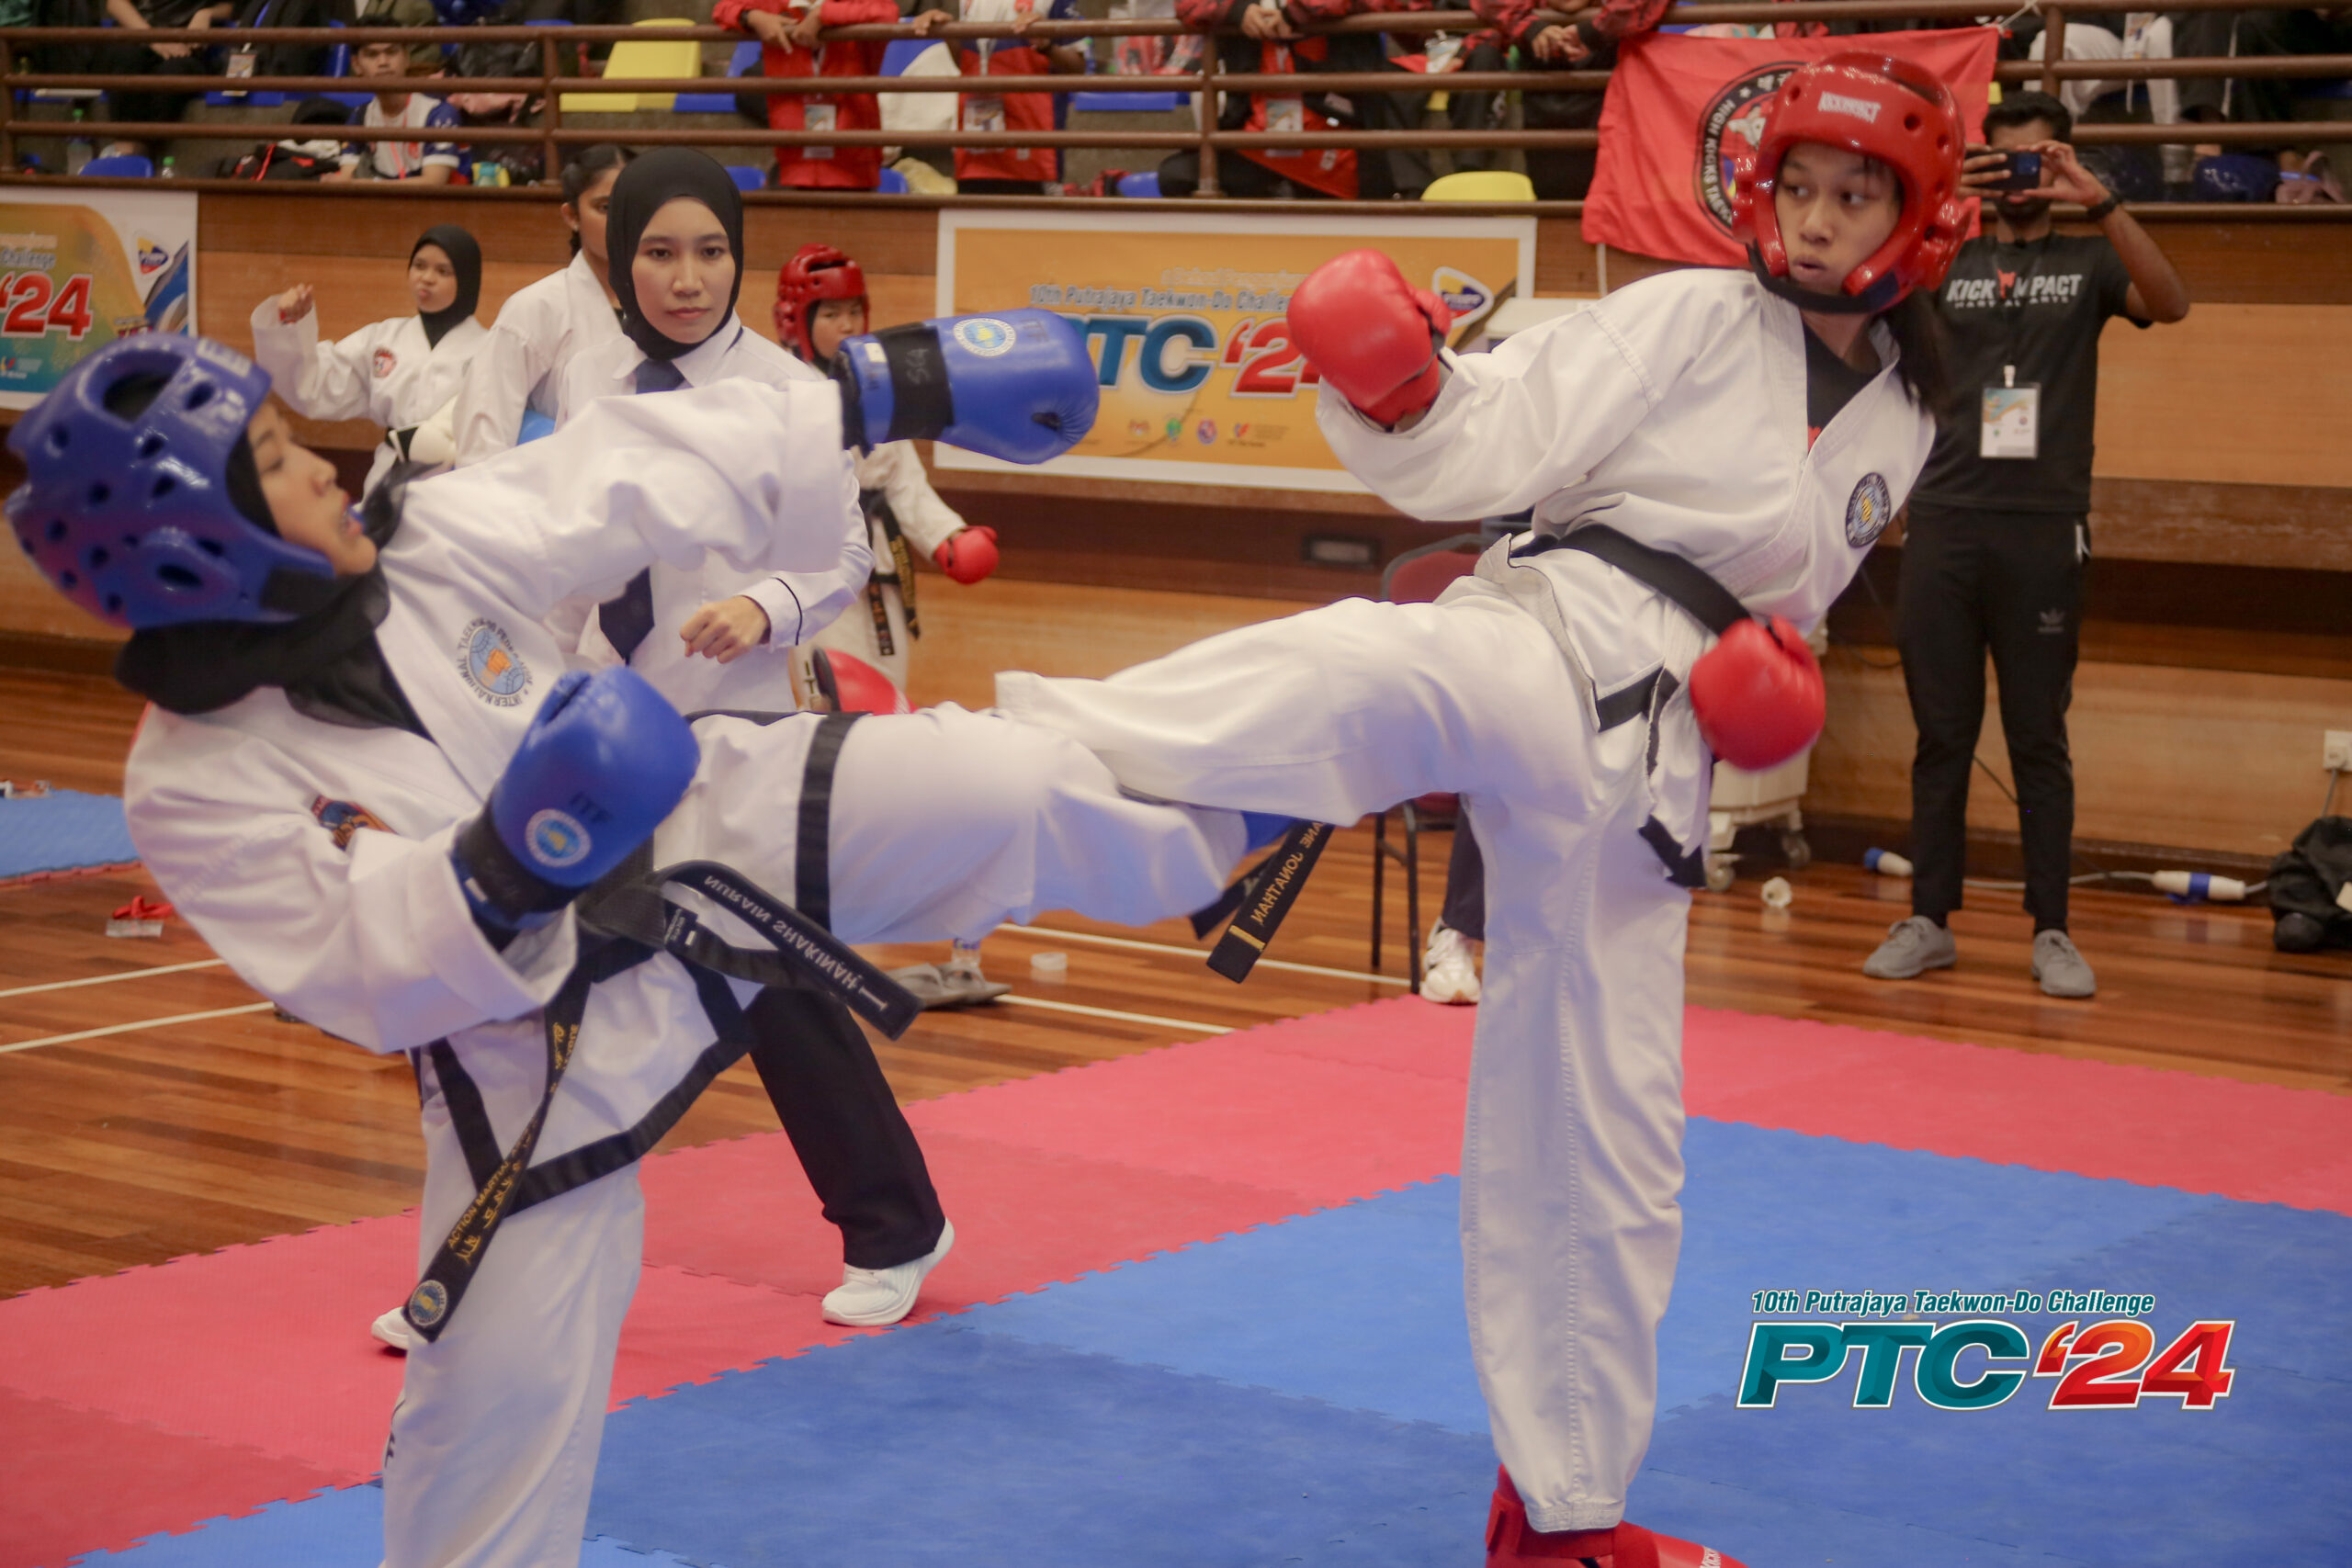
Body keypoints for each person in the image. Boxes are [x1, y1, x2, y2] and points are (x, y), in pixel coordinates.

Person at [7, 310, 1229, 1567]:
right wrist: (506, 863)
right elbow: (351, 964)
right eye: (273, 458)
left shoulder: (427, 536)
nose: (322, 464)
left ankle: (1292, 759)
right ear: (194, 539)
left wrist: (879, 389)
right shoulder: (194, 779)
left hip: (696, 843)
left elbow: (624, 465)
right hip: (523, 1053)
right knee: (488, 1414)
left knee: (1007, 779)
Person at [996, 53, 1964, 1568]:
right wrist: (1406, 386)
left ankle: (1565, 1510)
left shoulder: (1907, 412)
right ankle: (985, 755)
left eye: (1855, 195)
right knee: (1370, 669)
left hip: (1656, 768)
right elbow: (1499, 434)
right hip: (1551, 631)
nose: (1821, 217)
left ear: (1917, 220)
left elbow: (1791, 589)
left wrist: (1769, 677)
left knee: (1609, 1134)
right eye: (1801, 186)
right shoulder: (1691, 316)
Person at [1866, 88, 2189, 1001]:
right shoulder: (1946, 258)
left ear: (2064, 162)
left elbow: (2171, 303)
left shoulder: (2088, 262)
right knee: (1941, 737)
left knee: (2038, 738)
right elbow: (1869, 290)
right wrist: (1942, 201)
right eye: (2005, 158)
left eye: (2039, 160)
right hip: (1943, 523)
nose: (2019, 177)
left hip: (2044, 529)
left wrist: (2098, 199)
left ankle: (2052, 929)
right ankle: (1930, 920)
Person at [778, 242, 1010, 1008]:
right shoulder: (777, 394)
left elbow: (909, 488)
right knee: (832, 737)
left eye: (855, 311)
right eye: (831, 313)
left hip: (879, 590)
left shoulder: (882, 396)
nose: (846, 326)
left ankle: (872, 894)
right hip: (811, 589)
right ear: (797, 319)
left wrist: (949, 539)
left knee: (892, 734)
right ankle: (817, 904)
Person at [247, 224, 488, 501]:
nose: (427, 278)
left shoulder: (489, 348)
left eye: (443, 271)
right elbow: (315, 384)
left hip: (457, 480)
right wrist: (289, 325)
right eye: (419, 266)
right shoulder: (382, 340)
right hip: (388, 480)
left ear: (467, 279)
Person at [449, 143, 633, 468]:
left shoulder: (667, 306)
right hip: (553, 487)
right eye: (605, 207)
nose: (621, 221)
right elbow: (484, 435)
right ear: (572, 216)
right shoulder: (535, 308)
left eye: (633, 207)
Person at [1156, 0, 1423, 200]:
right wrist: (1238, 11)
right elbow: (1188, 5)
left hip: (1344, 143)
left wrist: (1296, 13)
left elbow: (1408, 9)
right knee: (1177, 176)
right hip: (1255, 142)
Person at [714, 0, 950, 192]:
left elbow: (887, 11)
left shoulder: (855, 6)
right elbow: (722, 9)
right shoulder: (773, 5)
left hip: (854, 165)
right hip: (792, 163)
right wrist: (753, 17)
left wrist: (823, 14)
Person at [949, 0, 1087, 196]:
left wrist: (1045, 45)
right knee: (975, 210)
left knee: (1031, 212)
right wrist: (945, 30)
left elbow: (1077, 68)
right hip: (976, 145)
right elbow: (965, 61)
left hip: (1033, 145)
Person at [322, 32, 463, 184]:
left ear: (406, 58)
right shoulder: (360, 115)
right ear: (356, 65)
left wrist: (368, 185)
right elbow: (347, 178)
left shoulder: (438, 112)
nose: (383, 62)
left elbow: (434, 182)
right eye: (372, 55)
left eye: (391, 52)